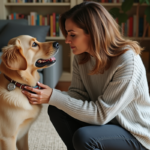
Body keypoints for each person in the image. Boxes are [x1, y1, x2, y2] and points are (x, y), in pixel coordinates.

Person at [21, 1, 150, 150]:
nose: (67, 40)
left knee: (85, 137)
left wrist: (53, 96)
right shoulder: (82, 56)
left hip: (135, 134)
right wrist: (49, 94)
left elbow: (101, 115)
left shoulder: (127, 60)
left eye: (72, 35)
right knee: (57, 110)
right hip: (108, 123)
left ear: (94, 32)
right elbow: (78, 94)